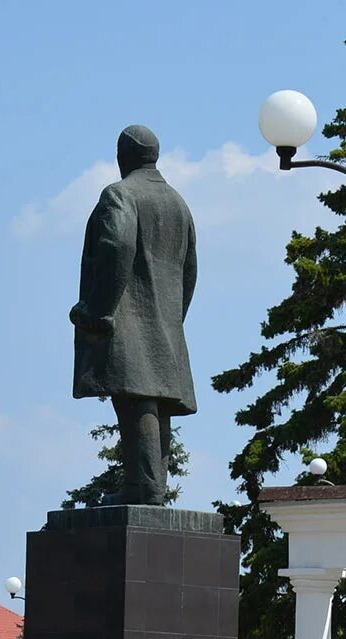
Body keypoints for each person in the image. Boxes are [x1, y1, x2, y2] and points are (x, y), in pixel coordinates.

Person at [70, 124, 199, 506]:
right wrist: (175, 317)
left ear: (122, 156)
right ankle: (148, 485)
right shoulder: (178, 203)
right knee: (155, 405)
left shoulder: (120, 194)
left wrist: (97, 308)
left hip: (125, 319)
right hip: (165, 322)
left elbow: (116, 245)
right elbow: (190, 270)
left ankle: (145, 488)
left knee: (137, 401)